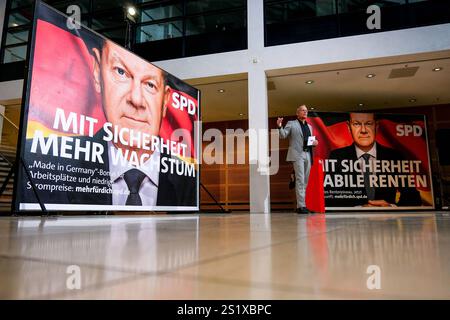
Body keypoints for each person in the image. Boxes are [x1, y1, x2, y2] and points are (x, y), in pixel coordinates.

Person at [21, 38, 196, 209]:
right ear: (98, 72)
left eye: (150, 84)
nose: (136, 99)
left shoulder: (188, 181)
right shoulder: (41, 163)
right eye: (121, 72)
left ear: (165, 101)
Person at [327, 112, 421, 207]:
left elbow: (414, 199)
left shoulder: (394, 156)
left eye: (368, 123)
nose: (363, 130)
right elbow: (329, 198)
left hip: (387, 220)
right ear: (348, 127)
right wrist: (358, 209)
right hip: (352, 220)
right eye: (357, 124)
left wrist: (391, 208)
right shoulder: (337, 157)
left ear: (376, 126)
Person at [277, 105, 318, 214]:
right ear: (297, 113)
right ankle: (301, 206)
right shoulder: (292, 124)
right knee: (300, 179)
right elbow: (283, 135)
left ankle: (303, 204)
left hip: (308, 154)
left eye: (306, 111)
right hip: (297, 154)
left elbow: (310, 141)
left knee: (305, 181)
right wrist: (279, 126)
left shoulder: (309, 127)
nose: (305, 112)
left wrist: (314, 143)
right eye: (303, 111)